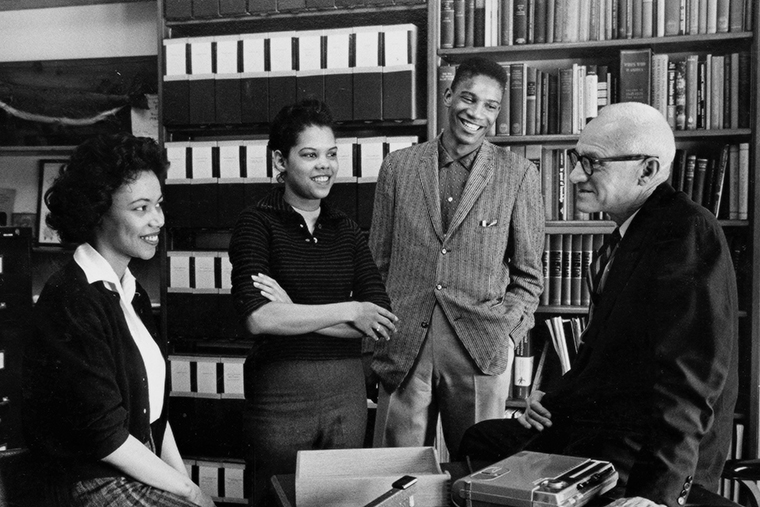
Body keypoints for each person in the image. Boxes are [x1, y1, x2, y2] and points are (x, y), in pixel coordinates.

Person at [459, 102, 739, 507]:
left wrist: (656, 496)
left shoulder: (685, 231)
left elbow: (690, 381)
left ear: (646, 170)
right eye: (577, 159)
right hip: (606, 429)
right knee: (481, 439)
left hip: (644, 451)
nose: (574, 175)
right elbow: (608, 360)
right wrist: (551, 399)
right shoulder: (627, 233)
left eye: (591, 163)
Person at [22, 133, 215, 507]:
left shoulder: (132, 292)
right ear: (98, 212)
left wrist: (186, 484)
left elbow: (155, 412)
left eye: (158, 204)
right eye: (141, 208)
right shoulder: (70, 299)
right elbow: (105, 437)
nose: (158, 220)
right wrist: (190, 493)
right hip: (91, 481)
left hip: (135, 464)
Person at [368, 56, 545, 458]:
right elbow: (376, 265)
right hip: (403, 343)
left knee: (479, 472)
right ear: (448, 95)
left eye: (490, 106)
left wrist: (505, 335)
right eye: (469, 98)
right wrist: (373, 344)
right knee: (397, 473)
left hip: (480, 347)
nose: (477, 113)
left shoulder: (518, 174)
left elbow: (529, 275)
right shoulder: (398, 167)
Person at [228, 99, 397, 506]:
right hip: (280, 395)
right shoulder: (256, 224)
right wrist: (349, 310)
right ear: (280, 160)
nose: (325, 166)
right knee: (277, 500)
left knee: (340, 502)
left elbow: (381, 321)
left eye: (331, 154)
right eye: (309, 155)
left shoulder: (347, 230)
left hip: (347, 394)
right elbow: (259, 317)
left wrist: (294, 309)